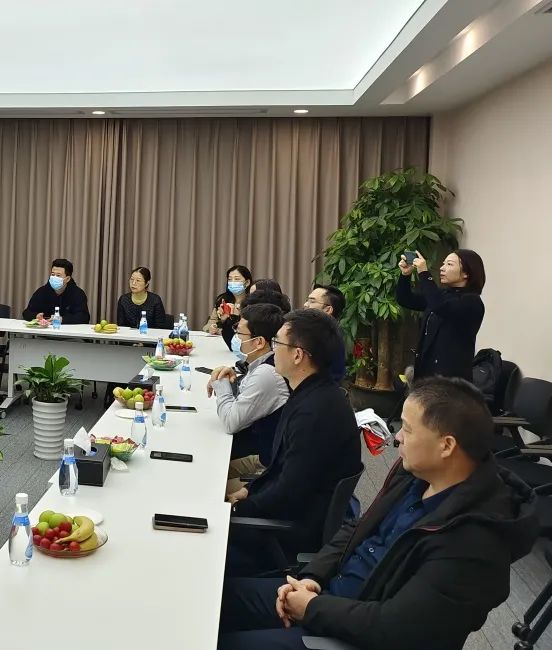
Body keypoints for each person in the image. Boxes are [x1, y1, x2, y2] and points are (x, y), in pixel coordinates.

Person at [218, 375, 538, 650]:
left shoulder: (474, 545)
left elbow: (394, 628)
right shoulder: (415, 474)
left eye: (408, 429)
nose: (397, 437)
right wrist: (312, 577)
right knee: (217, 598)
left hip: (353, 634)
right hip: (328, 597)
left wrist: (312, 608)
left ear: (446, 446)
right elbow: (355, 529)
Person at [227, 309, 362, 572]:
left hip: (288, 532)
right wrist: (247, 491)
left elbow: (288, 490)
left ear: (298, 355)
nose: (272, 349)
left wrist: (239, 509)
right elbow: (282, 469)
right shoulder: (312, 394)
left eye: (277, 342)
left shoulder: (314, 413)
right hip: (292, 515)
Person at [206, 304, 289, 495]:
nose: (236, 338)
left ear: (258, 342)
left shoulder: (267, 373)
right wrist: (232, 381)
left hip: (264, 461)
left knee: (207, 478)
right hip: (258, 448)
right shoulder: (261, 364)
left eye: (239, 333)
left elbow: (231, 422)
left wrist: (221, 384)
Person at [396, 250, 485, 382]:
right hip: (425, 375)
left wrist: (424, 273)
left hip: (450, 381)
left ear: (466, 273)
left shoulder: (472, 302)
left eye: (449, 264)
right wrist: (405, 275)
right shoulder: (443, 295)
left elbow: (440, 306)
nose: (442, 268)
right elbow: (405, 299)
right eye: (443, 263)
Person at [22, 258, 90, 324]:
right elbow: (26, 313)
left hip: (67, 331)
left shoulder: (78, 294)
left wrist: (62, 319)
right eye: (53, 274)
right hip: (46, 330)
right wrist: (36, 316)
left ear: (67, 279)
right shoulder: (41, 292)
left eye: (58, 275)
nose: (54, 277)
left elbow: (84, 317)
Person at [303, 284, 346, 383]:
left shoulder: (326, 336)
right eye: (307, 300)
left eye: (312, 301)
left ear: (328, 309)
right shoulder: (315, 331)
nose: (305, 304)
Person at [205, 265, 251, 334]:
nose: (232, 282)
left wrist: (236, 315)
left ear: (247, 282)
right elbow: (209, 324)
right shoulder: (222, 300)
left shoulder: (252, 302)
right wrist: (213, 327)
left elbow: (252, 329)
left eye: (237, 279)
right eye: (230, 279)